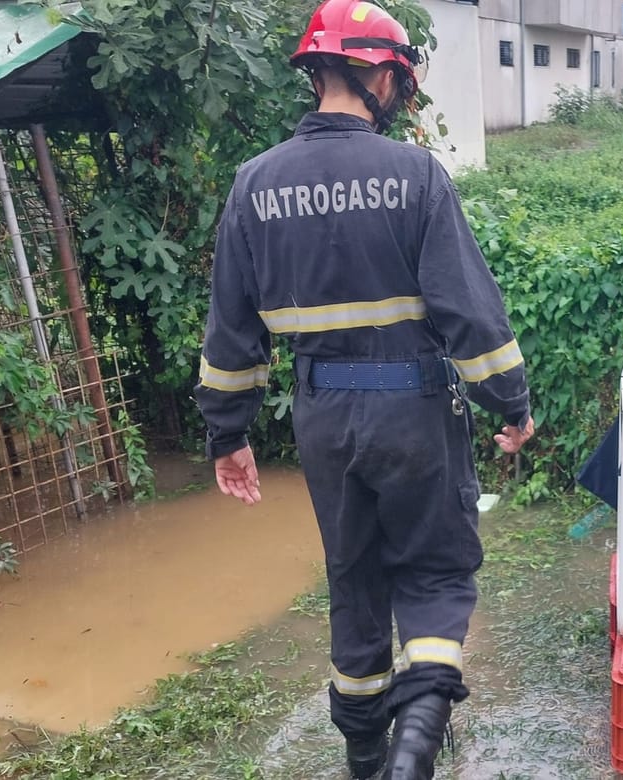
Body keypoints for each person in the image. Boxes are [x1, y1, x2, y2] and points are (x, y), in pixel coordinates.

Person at [193, 1, 535, 778]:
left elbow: (230, 337)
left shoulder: (254, 186)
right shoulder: (415, 175)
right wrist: (509, 403)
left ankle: (365, 762)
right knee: (436, 573)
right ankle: (416, 751)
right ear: (380, 73)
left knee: (354, 579)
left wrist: (229, 436)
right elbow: (469, 312)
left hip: (322, 419)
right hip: (414, 413)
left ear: (318, 71)